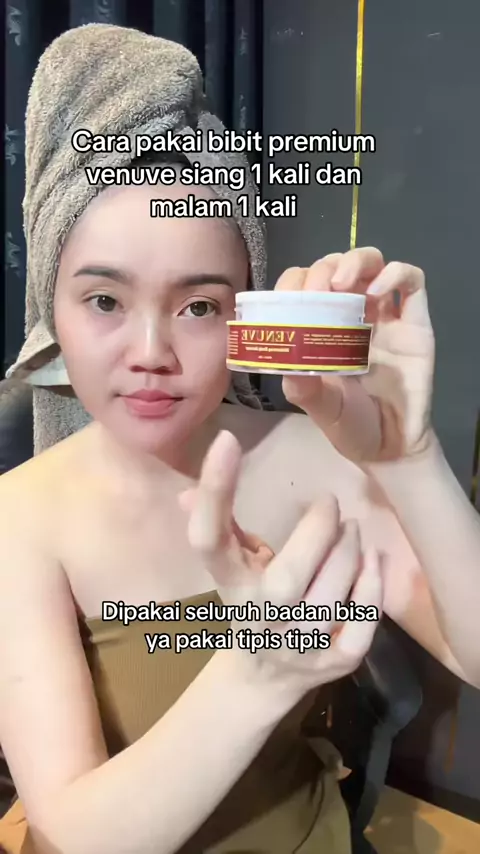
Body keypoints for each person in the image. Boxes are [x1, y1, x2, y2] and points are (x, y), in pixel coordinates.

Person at [1, 23, 480, 854]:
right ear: (52, 310)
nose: (151, 353)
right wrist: (254, 674)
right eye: (105, 301)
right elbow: (74, 831)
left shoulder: (315, 458)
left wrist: (410, 461)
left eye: (199, 306)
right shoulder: (20, 518)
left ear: (246, 314)